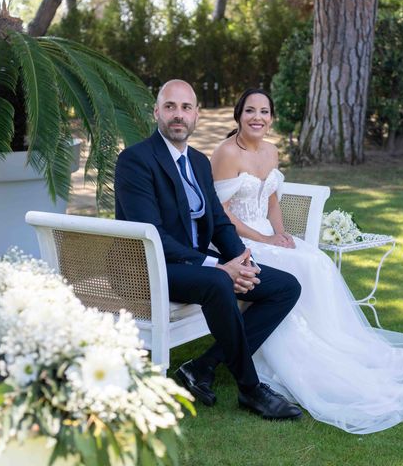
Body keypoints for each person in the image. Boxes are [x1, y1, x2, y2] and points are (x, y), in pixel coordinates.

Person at [210, 88, 403, 434]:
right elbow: (223, 214)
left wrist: (283, 234)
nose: (257, 117)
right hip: (238, 240)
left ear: (271, 117)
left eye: (264, 111)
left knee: (317, 261)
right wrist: (266, 240)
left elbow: (273, 203)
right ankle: (292, 358)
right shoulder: (226, 153)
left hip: (268, 234)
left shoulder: (272, 151)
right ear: (238, 115)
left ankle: (332, 343)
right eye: (250, 111)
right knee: (294, 270)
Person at [114, 80, 303, 420]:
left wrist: (241, 260)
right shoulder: (135, 160)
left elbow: (217, 220)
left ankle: (202, 366)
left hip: (193, 264)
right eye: (170, 106)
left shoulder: (199, 162)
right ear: (157, 112)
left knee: (285, 287)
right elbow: (151, 233)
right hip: (149, 267)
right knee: (218, 283)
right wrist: (215, 266)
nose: (178, 115)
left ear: (197, 115)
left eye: (186, 108)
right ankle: (251, 389)